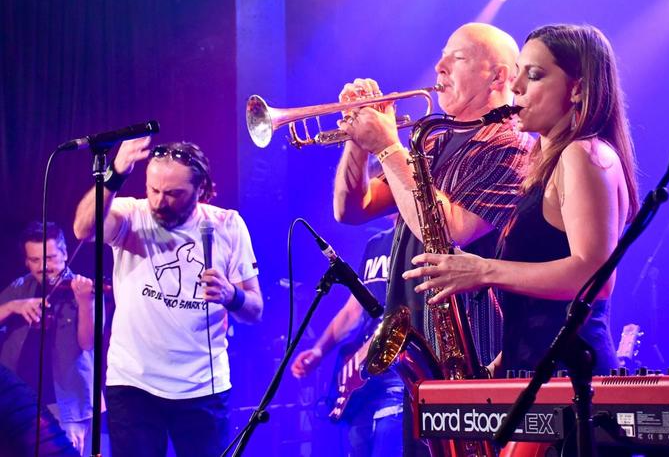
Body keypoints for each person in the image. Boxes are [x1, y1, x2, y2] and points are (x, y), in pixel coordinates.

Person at [331, 22, 532, 454]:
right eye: (442, 55)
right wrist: (358, 140)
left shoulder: (510, 146)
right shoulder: (434, 141)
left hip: (477, 356)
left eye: (456, 58)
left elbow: (450, 231)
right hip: (421, 355)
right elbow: (352, 209)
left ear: (498, 76)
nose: (439, 66)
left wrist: (388, 146)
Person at [402, 23, 639, 377]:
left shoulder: (582, 153)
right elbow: (539, 311)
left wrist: (484, 270)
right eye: (517, 73)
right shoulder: (549, 162)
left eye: (535, 75)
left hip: (570, 379)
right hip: (534, 373)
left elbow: (595, 277)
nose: (515, 87)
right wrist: (494, 367)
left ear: (577, 89)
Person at [73, 140, 263, 457]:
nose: (160, 202)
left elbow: (255, 310)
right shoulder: (131, 214)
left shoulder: (227, 225)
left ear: (201, 189)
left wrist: (232, 295)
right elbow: (83, 229)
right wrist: (115, 174)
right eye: (153, 190)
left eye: (174, 193)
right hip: (133, 384)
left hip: (202, 387)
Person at [290, 218, 401, 456]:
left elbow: (415, 308)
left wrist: (369, 349)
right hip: (362, 383)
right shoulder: (376, 243)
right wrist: (319, 351)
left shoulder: (420, 241)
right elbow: (353, 310)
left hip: (397, 375)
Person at [0, 222, 95, 454]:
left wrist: (85, 303)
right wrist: (12, 307)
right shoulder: (20, 287)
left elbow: (88, 343)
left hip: (64, 404)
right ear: (26, 261)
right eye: (35, 260)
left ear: (64, 254)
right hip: (19, 404)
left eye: (50, 258)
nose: (43, 267)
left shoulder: (82, 289)